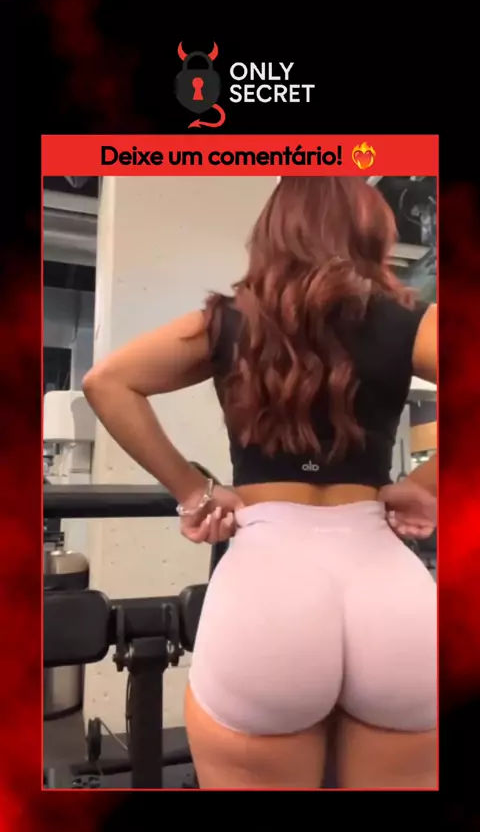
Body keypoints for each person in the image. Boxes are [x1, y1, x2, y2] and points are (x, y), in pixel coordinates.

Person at [83, 176, 437, 790]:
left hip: (265, 591)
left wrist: (193, 491)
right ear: (371, 230)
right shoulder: (412, 320)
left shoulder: (223, 322)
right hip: (391, 595)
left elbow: (106, 382)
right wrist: (427, 482)